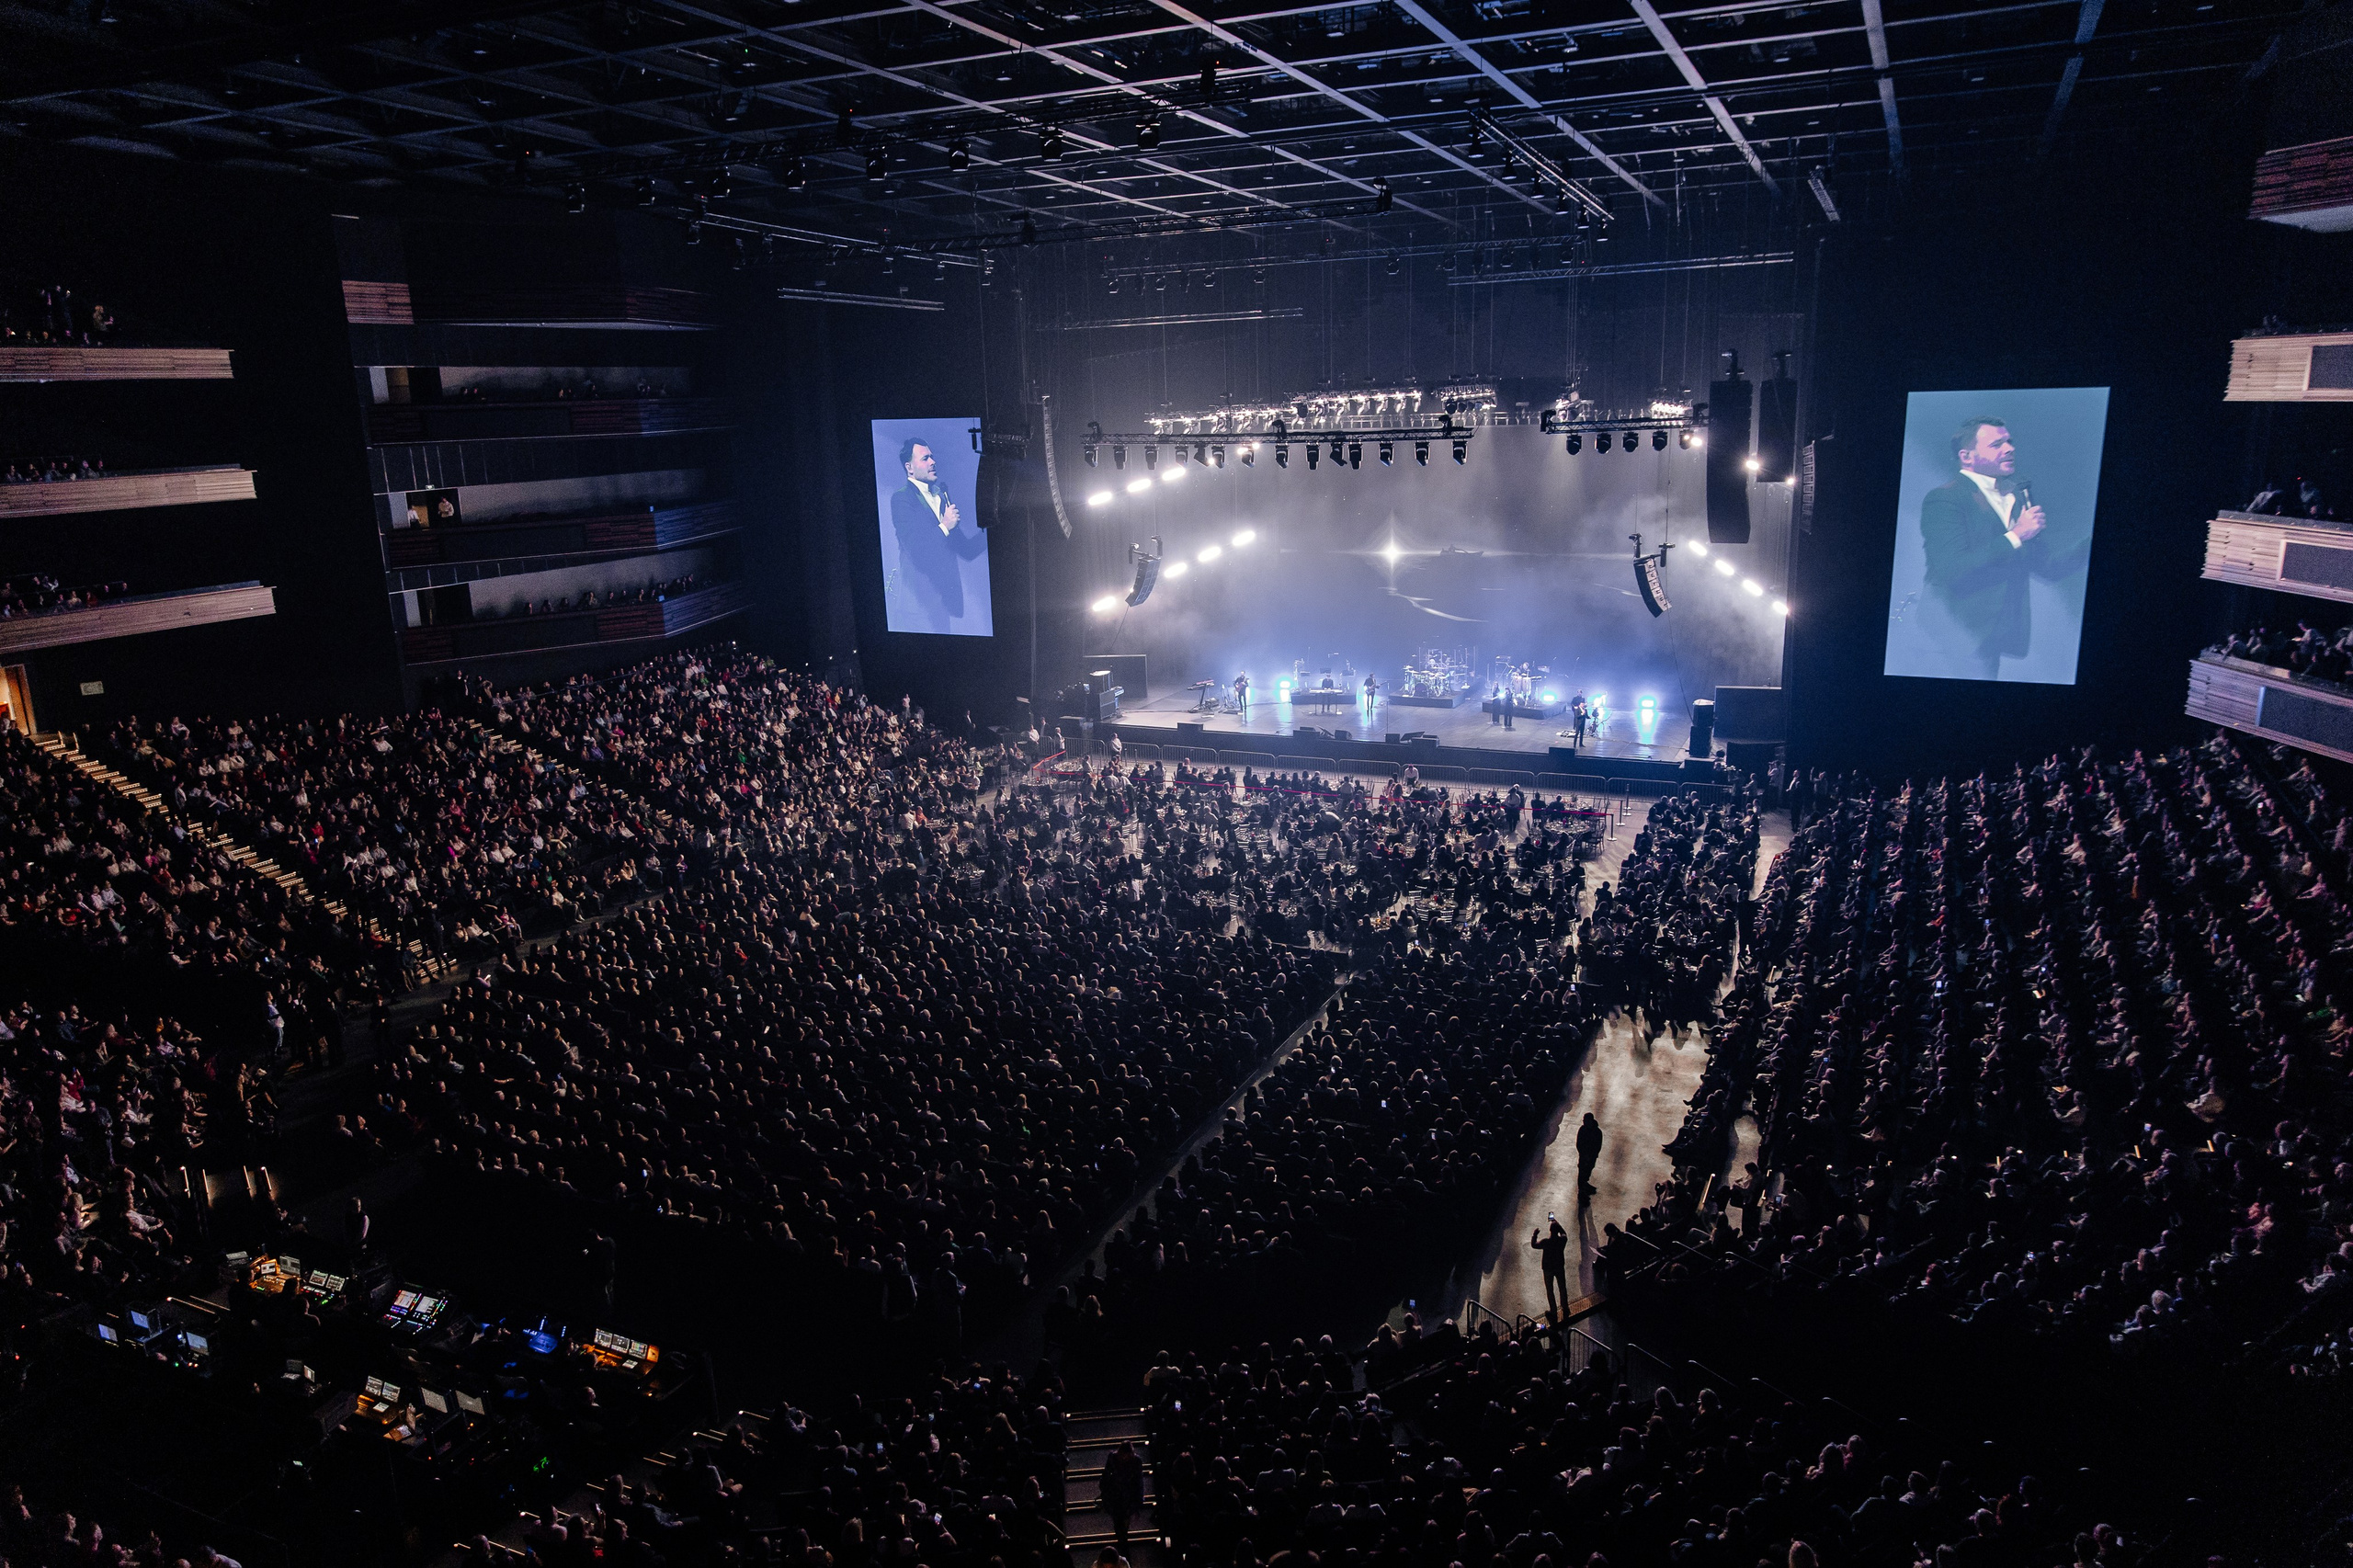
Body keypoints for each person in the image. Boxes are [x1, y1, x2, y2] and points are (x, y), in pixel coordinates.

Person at [1918, 416, 2078, 680]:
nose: (2010, 449)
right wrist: (2016, 534)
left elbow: (2048, 568)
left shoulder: (2017, 496)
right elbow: (1952, 570)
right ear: (1966, 457)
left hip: (1988, 640)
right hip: (1948, 637)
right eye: (1997, 444)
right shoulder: (1945, 499)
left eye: (2010, 442)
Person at [886, 436, 987, 633]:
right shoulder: (901, 499)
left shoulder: (941, 497)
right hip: (916, 609)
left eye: (932, 457)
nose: (933, 462)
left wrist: (993, 532)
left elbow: (965, 551)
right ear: (909, 467)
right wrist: (944, 526)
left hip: (940, 607)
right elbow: (916, 550)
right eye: (925, 458)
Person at [1099, 1438, 1146, 1550]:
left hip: (1127, 1496)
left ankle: (1122, 1542)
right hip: (1116, 1495)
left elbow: (1138, 1481)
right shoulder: (1114, 1458)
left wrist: (1138, 1501)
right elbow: (1106, 1475)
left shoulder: (1134, 1461)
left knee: (1122, 1520)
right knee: (1119, 1521)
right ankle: (1122, 1543)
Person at [1531, 1217, 1572, 1317]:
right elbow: (1564, 1233)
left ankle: (1553, 1311)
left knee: (1550, 1290)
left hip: (1548, 1268)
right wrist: (1556, 1223)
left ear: (1550, 1230)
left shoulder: (1545, 1242)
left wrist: (1535, 1235)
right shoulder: (1562, 1240)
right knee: (1562, 1288)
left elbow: (1534, 1245)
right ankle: (1565, 1308)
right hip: (1559, 1267)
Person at [1574, 1112, 1603, 1202]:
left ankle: (1585, 1184)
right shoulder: (1583, 1130)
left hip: (1591, 1157)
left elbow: (1598, 1145)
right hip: (1584, 1156)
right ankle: (1581, 1191)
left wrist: (1592, 1155)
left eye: (1585, 1120)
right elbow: (1579, 1144)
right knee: (1582, 1172)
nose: (1583, 1122)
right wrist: (1583, 1154)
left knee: (1588, 1170)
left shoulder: (1597, 1132)